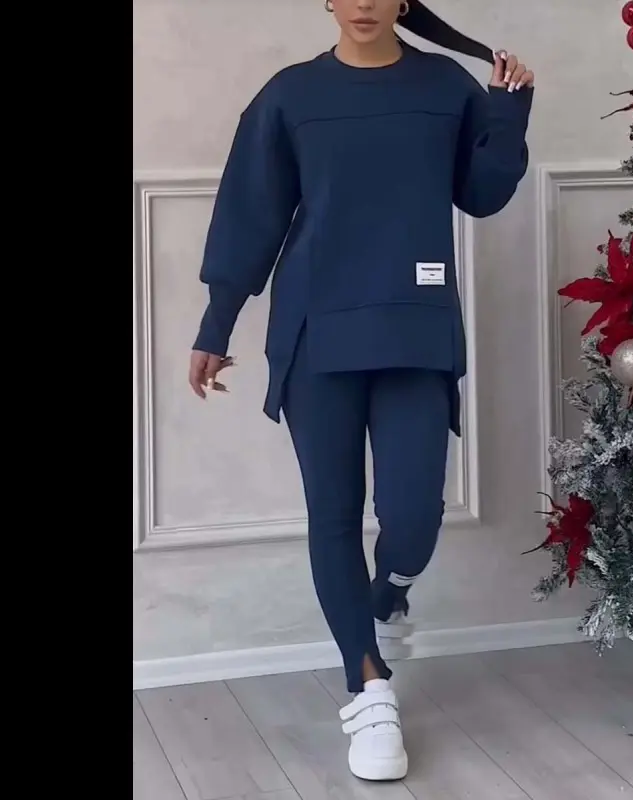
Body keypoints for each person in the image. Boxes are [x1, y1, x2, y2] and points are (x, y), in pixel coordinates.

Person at [188, 0, 533, 781]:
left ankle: (390, 589)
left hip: (414, 326)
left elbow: (482, 194)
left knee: (413, 517)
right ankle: (367, 684)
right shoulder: (290, 95)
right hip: (316, 332)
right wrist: (216, 325)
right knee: (335, 513)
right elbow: (251, 214)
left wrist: (510, 111)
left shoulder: (446, 86)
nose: (366, 3)